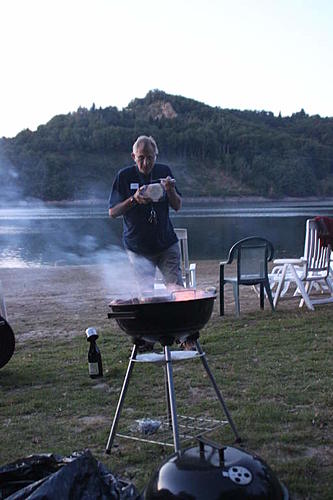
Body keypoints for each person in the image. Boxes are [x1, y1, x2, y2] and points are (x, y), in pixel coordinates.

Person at [109, 135, 183, 291]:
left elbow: (177, 206)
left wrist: (170, 190)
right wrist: (133, 199)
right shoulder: (124, 176)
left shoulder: (164, 171)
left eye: (150, 158)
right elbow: (113, 212)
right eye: (141, 158)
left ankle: (180, 316)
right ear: (133, 156)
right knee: (147, 295)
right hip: (138, 248)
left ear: (156, 156)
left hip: (166, 245)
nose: (146, 163)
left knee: (176, 290)